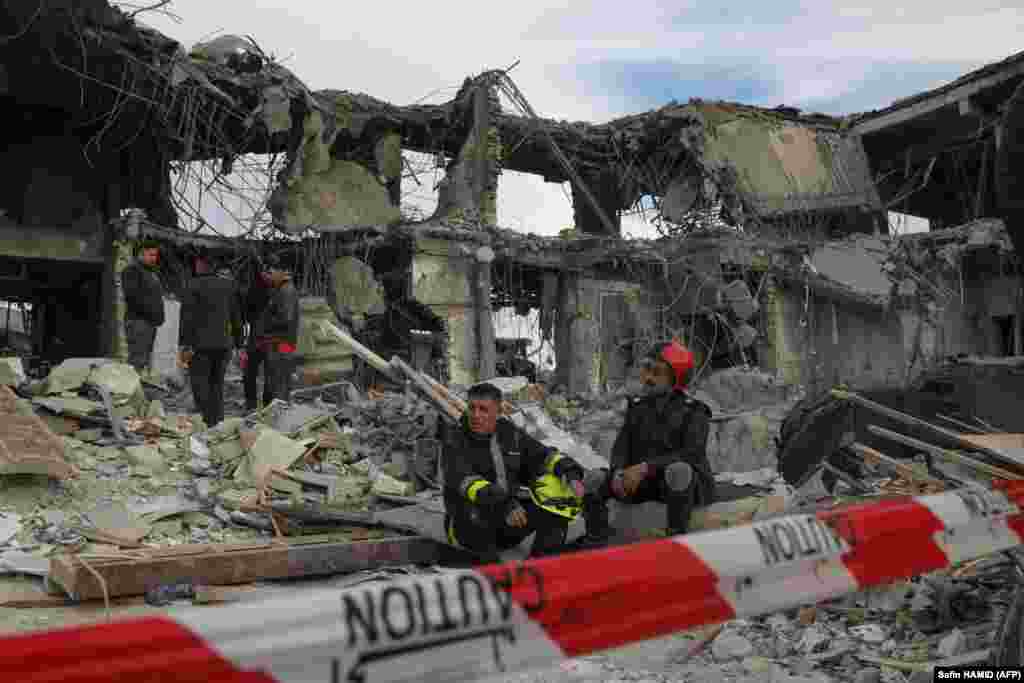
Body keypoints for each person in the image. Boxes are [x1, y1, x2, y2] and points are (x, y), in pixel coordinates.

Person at [578, 340, 715, 547]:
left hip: (680, 486)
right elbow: (622, 447)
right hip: (644, 483)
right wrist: (618, 472)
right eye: (646, 369)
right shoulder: (638, 407)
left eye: (657, 372)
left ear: (674, 379)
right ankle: (596, 541)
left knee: (679, 470)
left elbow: (691, 454)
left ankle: (676, 540)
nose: (648, 378)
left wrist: (645, 468)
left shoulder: (694, 411)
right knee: (594, 478)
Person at [443, 381, 586, 562]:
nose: (475, 415)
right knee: (492, 566)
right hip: (468, 524)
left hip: (509, 518)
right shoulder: (454, 438)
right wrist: (505, 504)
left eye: (483, 409)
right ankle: (491, 571)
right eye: (472, 408)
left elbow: (544, 455)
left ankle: (540, 565)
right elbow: (467, 483)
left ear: (498, 411)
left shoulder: (509, 432)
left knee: (559, 493)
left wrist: (570, 473)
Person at [178, 250, 243, 428]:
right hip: (223, 345)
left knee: (200, 385)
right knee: (217, 385)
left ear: (200, 264)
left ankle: (205, 422)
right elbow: (236, 317)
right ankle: (217, 422)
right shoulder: (228, 286)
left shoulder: (193, 285)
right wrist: (239, 344)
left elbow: (187, 318)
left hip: (199, 346)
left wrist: (185, 345)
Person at [253, 254, 299, 404]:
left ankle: (279, 413)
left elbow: (286, 319)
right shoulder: (280, 290)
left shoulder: (286, 291)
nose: (270, 276)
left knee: (279, 379)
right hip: (280, 343)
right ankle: (276, 410)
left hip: (281, 343)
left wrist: (266, 324)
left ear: (282, 272)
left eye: (272, 273)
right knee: (277, 379)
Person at [121, 239, 165, 375]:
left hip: (149, 323)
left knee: (143, 360)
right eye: (151, 255)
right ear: (141, 254)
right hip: (138, 322)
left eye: (155, 255)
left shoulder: (150, 273)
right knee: (137, 360)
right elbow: (133, 297)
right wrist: (153, 314)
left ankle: (137, 390)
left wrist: (158, 317)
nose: (154, 258)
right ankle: (129, 392)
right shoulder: (132, 270)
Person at [241, 258, 273, 411]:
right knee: (268, 372)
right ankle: (266, 405)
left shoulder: (254, 288)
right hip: (270, 337)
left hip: (257, 336)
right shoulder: (278, 288)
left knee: (250, 372)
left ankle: (251, 404)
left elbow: (246, 314)